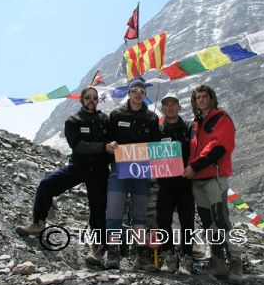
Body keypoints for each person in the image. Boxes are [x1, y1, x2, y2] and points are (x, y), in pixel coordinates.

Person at [16, 86, 114, 266]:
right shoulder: (73, 120)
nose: (91, 100)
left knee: (98, 210)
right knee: (46, 184)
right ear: (82, 100)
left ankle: (98, 249)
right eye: (88, 97)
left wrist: (111, 149)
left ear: (98, 100)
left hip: (99, 170)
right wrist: (103, 147)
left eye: (94, 97)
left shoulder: (105, 120)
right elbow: (77, 146)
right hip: (78, 166)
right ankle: (38, 222)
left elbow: (113, 143)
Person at [183, 84, 243, 285]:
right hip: (197, 181)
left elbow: (218, 147)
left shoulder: (221, 119)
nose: (200, 100)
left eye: (204, 96)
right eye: (197, 97)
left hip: (214, 177)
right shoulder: (195, 125)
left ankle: (236, 261)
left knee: (223, 219)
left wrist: (195, 166)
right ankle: (218, 261)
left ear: (211, 98)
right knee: (208, 221)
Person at [105, 78, 160, 270]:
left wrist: (155, 169)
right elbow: (107, 138)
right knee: (114, 212)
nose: (138, 93)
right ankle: (112, 253)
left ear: (145, 95)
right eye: (135, 90)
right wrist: (110, 145)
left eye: (142, 91)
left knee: (140, 214)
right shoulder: (116, 114)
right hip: (118, 170)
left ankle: (141, 256)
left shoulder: (152, 119)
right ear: (129, 93)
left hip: (141, 172)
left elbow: (156, 147)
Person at [157, 93, 195, 275]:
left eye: (173, 104)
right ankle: (168, 256)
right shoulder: (158, 129)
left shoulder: (189, 127)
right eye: (166, 105)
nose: (170, 107)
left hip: (185, 182)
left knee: (187, 221)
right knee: (163, 220)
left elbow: (196, 150)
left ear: (179, 107)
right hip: (165, 184)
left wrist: (192, 168)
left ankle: (187, 258)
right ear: (162, 109)